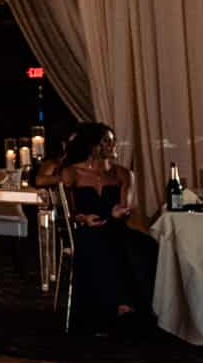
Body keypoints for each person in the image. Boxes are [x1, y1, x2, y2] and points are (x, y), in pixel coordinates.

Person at [58, 124, 156, 336]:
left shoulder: (123, 174)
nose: (113, 145)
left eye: (113, 140)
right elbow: (69, 213)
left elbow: (125, 208)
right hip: (86, 229)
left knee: (145, 245)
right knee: (98, 241)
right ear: (93, 146)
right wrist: (83, 218)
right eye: (106, 141)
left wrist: (119, 212)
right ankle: (117, 307)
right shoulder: (72, 173)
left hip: (116, 227)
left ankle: (132, 307)